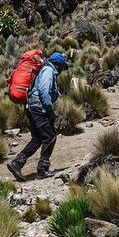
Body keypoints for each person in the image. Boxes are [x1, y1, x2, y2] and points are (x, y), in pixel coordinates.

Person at [7, 52, 69, 181]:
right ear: (58, 65)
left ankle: (17, 164)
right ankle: (42, 169)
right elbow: (43, 90)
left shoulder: (45, 69)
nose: (63, 70)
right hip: (38, 108)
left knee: (37, 139)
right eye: (63, 67)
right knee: (50, 137)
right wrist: (49, 109)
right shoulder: (48, 71)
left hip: (32, 107)